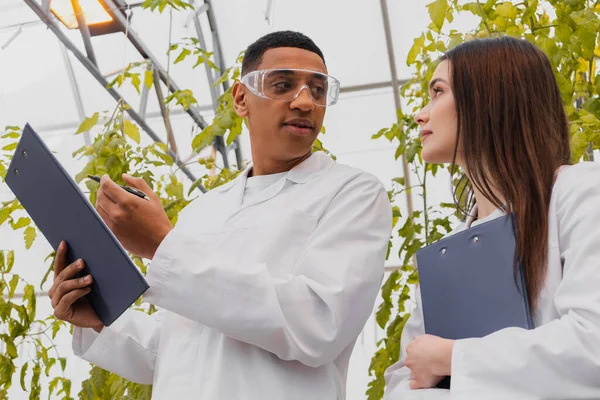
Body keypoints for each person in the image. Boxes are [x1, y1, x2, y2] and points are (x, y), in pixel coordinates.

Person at [48, 31, 392, 399]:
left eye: (318, 90)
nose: (305, 102)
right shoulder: (205, 209)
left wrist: (162, 246)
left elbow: (319, 324)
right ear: (241, 98)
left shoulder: (352, 193)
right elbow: (175, 350)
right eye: (283, 85)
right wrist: (100, 321)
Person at [383, 36, 600, 399]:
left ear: (488, 98)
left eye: (438, 92)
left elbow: (592, 345)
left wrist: (453, 358)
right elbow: (404, 380)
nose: (421, 113)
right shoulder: (448, 252)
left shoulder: (580, 191)